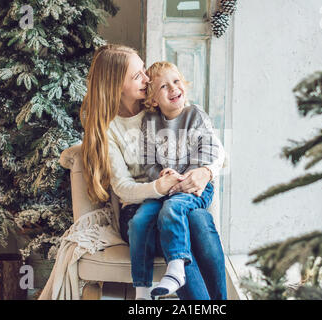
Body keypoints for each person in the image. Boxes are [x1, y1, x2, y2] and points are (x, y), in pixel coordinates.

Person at [79, 44, 227, 300]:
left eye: (144, 71)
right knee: (182, 223)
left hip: (175, 200)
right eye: (137, 76)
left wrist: (205, 172)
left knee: (198, 220)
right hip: (139, 211)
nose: (147, 79)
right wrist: (160, 187)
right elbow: (123, 187)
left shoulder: (162, 104)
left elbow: (214, 146)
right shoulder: (109, 129)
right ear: (116, 85)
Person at [123, 61, 224, 299]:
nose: (173, 89)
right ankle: (148, 287)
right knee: (150, 216)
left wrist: (189, 177)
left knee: (173, 207)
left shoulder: (195, 115)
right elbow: (148, 163)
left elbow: (209, 151)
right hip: (167, 190)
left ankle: (177, 266)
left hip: (195, 188)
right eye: (164, 87)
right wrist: (161, 175)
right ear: (154, 100)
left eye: (176, 82)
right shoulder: (150, 122)